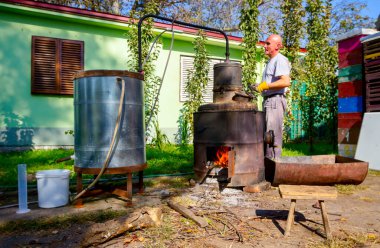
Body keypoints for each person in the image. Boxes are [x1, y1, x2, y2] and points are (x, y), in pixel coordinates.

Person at [254, 34, 291, 159]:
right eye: (265, 43)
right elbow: (269, 83)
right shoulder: (271, 61)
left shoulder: (280, 59)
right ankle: (268, 166)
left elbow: (286, 82)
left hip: (275, 100)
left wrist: (265, 86)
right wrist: (259, 86)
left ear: (278, 46)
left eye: (268, 43)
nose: (265, 46)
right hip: (269, 100)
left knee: (272, 136)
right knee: (267, 136)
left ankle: (276, 167)